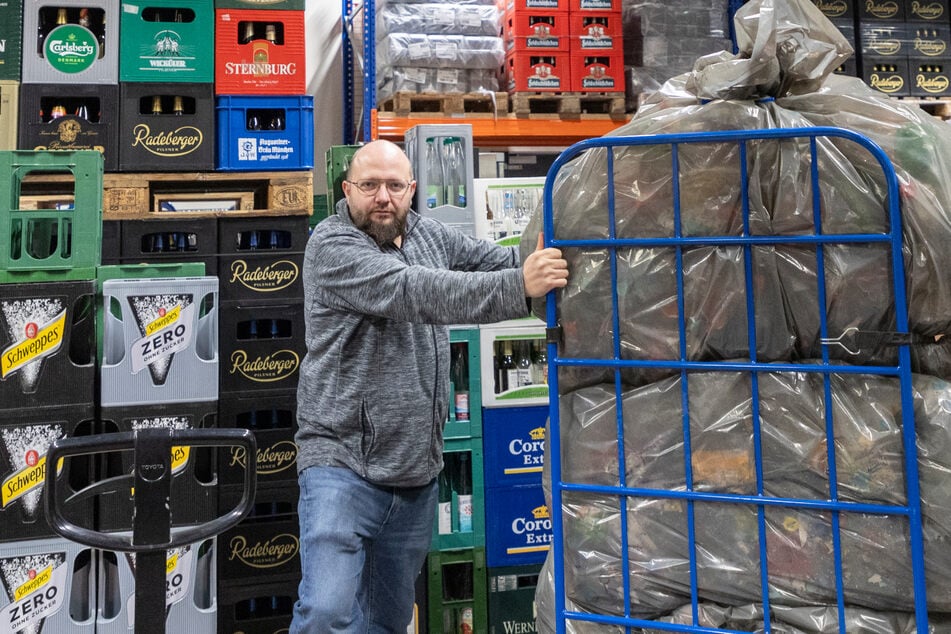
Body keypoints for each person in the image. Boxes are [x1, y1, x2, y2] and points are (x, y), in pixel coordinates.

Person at [291, 139, 568, 632]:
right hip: (341, 463)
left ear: (412, 190)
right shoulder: (332, 246)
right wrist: (520, 285)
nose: (383, 197)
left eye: (394, 186)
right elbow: (413, 290)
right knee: (326, 612)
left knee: (388, 621)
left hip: (414, 472)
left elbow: (492, 260)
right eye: (369, 185)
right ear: (346, 189)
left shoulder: (427, 234)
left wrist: (545, 251)